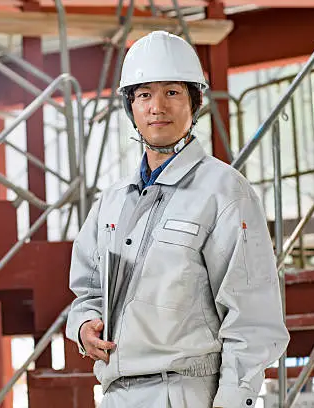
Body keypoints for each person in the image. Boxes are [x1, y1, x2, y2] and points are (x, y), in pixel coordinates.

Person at [65, 31, 290, 408]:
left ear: (194, 102)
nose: (157, 107)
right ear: (130, 106)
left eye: (172, 93)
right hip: (116, 394)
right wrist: (84, 325)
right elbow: (87, 290)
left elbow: (252, 317)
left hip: (187, 392)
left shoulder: (224, 193)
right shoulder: (111, 202)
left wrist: (235, 400)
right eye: (144, 95)